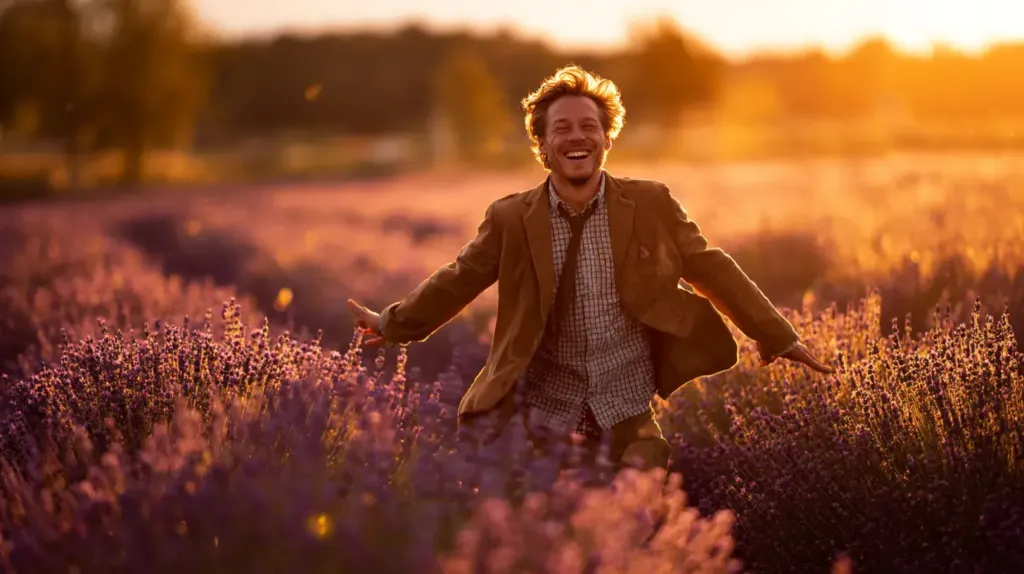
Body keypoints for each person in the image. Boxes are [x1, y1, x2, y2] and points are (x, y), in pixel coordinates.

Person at [347, 65, 833, 472]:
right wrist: (393, 324)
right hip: (543, 410)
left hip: (625, 407)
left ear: (606, 137)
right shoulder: (511, 218)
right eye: (561, 128)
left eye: (589, 126)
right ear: (542, 144)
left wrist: (778, 336)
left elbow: (711, 268)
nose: (577, 137)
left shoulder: (651, 203)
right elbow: (460, 278)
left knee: (638, 506)